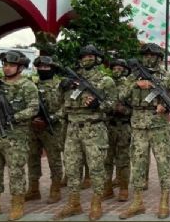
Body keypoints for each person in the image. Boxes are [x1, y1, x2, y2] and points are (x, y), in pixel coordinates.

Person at [54, 45, 114, 221]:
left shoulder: (105, 81)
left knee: (96, 168)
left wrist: (99, 105)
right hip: (72, 128)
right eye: (84, 56)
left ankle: (96, 204)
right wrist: (62, 87)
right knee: (72, 167)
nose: (86, 59)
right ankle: (74, 204)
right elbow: (59, 103)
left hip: (94, 128)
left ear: (97, 59)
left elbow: (112, 103)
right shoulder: (71, 79)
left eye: (90, 56)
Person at [118, 43, 170, 220]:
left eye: (153, 55)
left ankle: (164, 201)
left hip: (159, 127)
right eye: (146, 55)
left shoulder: (166, 78)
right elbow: (120, 96)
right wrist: (137, 84)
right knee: (137, 164)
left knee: (163, 164)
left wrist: (165, 107)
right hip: (138, 127)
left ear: (159, 58)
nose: (149, 58)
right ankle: (137, 203)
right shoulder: (132, 77)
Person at [0, 51, 39, 220]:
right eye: (4, 65)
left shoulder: (27, 86)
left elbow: (33, 108)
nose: (6, 68)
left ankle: (17, 205)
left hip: (15, 136)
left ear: (20, 67)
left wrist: (13, 117)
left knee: (16, 172)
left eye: (10, 65)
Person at [25, 56, 65, 204]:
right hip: (33, 127)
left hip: (52, 128)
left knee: (54, 159)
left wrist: (54, 118)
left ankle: (55, 189)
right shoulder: (30, 84)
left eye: (46, 67)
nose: (43, 69)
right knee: (32, 158)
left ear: (53, 68)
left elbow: (66, 105)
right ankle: (33, 189)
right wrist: (31, 119)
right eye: (40, 67)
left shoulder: (61, 84)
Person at [102, 59, 133, 202]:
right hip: (108, 125)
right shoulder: (105, 84)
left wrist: (124, 110)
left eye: (120, 67)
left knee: (123, 159)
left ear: (126, 70)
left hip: (124, 127)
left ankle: (123, 188)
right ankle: (107, 188)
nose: (117, 70)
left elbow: (136, 107)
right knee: (106, 159)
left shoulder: (130, 85)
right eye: (115, 67)